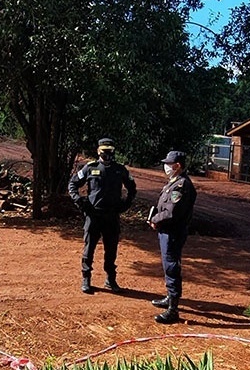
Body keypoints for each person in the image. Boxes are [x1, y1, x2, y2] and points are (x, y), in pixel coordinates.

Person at [68, 138, 137, 294]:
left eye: (110, 151)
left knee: (111, 249)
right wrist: (79, 201)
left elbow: (132, 188)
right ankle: (86, 278)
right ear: (98, 151)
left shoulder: (120, 170)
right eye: (104, 151)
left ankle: (110, 279)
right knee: (89, 248)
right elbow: (73, 184)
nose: (107, 154)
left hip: (112, 217)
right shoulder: (90, 168)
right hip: (94, 216)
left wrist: (126, 204)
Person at [148, 150, 197, 324]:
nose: (166, 167)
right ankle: (170, 297)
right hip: (167, 232)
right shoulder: (174, 182)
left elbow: (172, 212)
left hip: (173, 232)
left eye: (169, 164)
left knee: (171, 267)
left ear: (177, 166)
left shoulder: (181, 185)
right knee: (168, 265)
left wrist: (155, 219)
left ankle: (173, 310)